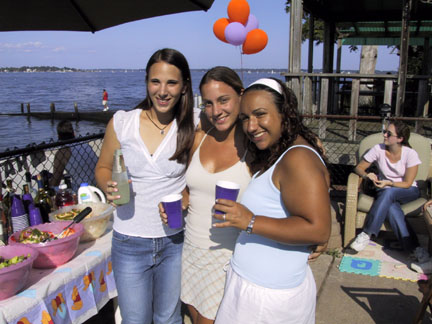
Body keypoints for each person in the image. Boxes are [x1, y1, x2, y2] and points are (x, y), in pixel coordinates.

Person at [213, 78, 331, 324]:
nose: (251, 126)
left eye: (260, 115)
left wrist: (249, 220)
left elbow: (318, 229)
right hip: (257, 289)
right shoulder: (283, 150)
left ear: (284, 113)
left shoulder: (298, 157)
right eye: (245, 118)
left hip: (267, 299)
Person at [95, 48, 199, 324]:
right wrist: (108, 185)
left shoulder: (196, 123)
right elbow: (103, 167)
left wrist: (188, 195)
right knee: (135, 320)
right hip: (129, 241)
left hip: (175, 240)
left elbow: (206, 170)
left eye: (171, 83)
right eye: (155, 81)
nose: (162, 91)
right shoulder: (122, 122)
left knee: (168, 318)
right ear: (146, 82)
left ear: (184, 86)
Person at [166, 66, 252, 324]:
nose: (216, 111)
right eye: (208, 104)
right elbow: (190, 190)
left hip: (227, 256)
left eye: (224, 100)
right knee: (193, 315)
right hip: (191, 250)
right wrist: (181, 199)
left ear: (241, 94)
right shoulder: (200, 137)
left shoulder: (255, 145)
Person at [350, 121, 429, 262]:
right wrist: (366, 175)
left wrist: (390, 183)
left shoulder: (410, 154)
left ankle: (367, 233)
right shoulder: (378, 149)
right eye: (385, 132)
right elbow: (359, 168)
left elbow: (407, 183)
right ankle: (415, 249)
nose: (384, 135)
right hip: (384, 189)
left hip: (408, 190)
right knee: (392, 208)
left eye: (389, 133)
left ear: (400, 139)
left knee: (389, 193)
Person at [50, 120, 98, 192]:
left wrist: (47, 185)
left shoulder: (62, 152)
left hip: (81, 190)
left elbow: (56, 181)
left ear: (58, 136)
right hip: (98, 185)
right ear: (74, 133)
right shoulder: (85, 144)